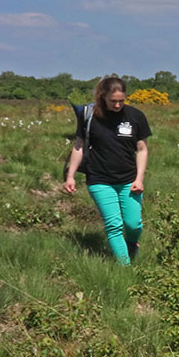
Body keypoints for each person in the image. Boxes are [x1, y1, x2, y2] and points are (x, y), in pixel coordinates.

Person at [64, 77, 151, 265]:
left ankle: (131, 244)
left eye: (122, 100)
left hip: (129, 179)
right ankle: (125, 268)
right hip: (99, 179)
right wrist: (70, 175)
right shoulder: (89, 116)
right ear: (102, 97)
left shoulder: (136, 116)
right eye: (113, 101)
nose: (118, 104)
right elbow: (78, 146)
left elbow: (142, 149)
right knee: (114, 225)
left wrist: (139, 178)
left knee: (133, 224)